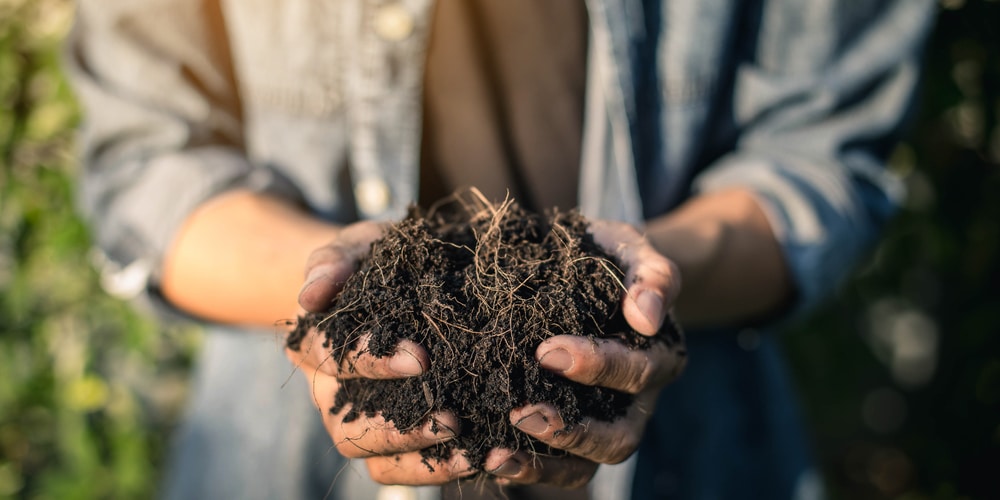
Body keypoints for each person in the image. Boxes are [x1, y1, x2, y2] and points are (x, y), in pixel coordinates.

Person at [65, 0, 936, 498]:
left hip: (695, 452)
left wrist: (647, 285)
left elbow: (820, 158)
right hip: (281, 464)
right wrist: (326, 291)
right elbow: (147, 166)